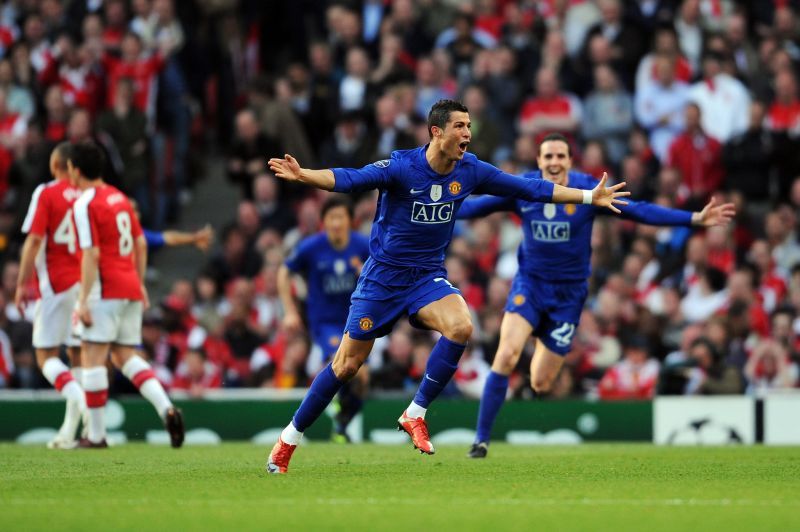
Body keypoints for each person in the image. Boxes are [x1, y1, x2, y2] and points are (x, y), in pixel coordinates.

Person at [264, 99, 629, 474]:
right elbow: (349, 178)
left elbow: (529, 189)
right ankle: (288, 439)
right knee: (346, 365)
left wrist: (588, 196)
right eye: (459, 126)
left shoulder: (470, 170)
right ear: (436, 132)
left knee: (461, 326)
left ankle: (415, 413)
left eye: (469, 126)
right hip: (383, 279)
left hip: (426, 276)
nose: (467, 134)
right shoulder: (402, 166)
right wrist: (305, 174)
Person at [458, 132, 735, 458]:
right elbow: (474, 208)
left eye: (560, 156)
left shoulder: (589, 190)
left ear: (570, 161)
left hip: (568, 296)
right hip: (530, 286)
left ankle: (538, 339)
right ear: (538, 161)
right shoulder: (524, 188)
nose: (554, 162)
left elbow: (640, 211)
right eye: (548, 156)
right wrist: (428, 205)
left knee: (541, 382)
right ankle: (480, 441)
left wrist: (693, 219)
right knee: (505, 355)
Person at [71, 141, 183, 448]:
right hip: (130, 286)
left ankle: (95, 436)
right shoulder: (119, 198)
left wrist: (82, 300)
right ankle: (166, 408)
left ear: (74, 170)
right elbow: (141, 244)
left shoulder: (85, 204)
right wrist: (140, 281)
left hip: (105, 288)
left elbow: (91, 254)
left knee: (92, 356)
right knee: (124, 356)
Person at [278, 195, 370, 442]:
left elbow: (386, 270)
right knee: (345, 366)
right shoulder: (311, 247)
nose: (336, 223)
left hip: (358, 323)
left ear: (350, 221)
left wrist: (368, 274)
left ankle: (342, 423)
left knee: (363, 378)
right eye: (331, 218)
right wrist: (289, 310)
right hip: (325, 324)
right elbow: (284, 272)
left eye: (341, 217)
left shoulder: (364, 246)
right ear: (324, 222)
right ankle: (327, 413)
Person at [14, 142, 86, 449]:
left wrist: (20, 283)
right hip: (86, 284)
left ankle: (81, 399)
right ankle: (72, 432)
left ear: (55, 165)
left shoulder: (47, 193)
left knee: (45, 356)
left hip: (55, 284)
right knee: (78, 355)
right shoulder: (88, 195)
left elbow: (33, 240)